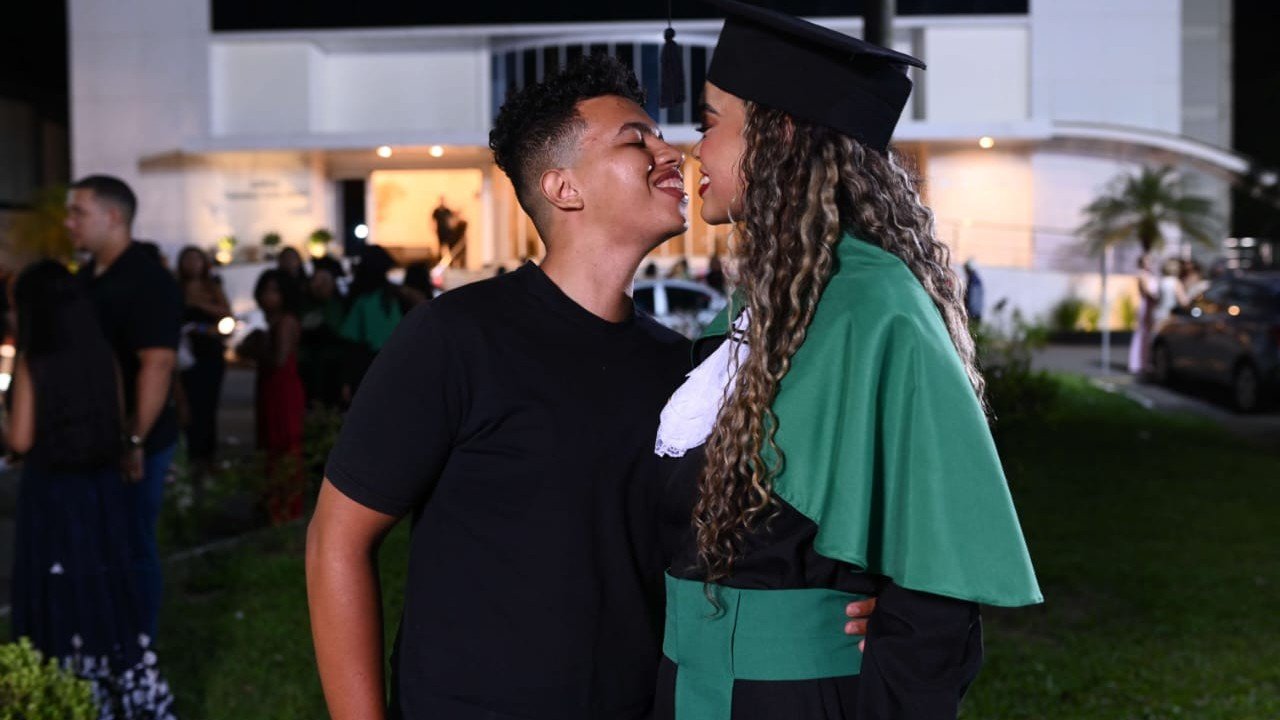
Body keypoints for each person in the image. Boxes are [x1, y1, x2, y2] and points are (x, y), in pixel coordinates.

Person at [307, 56, 875, 720]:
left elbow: (736, 537)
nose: (673, 153)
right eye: (637, 140)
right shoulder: (456, 337)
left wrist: (864, 599)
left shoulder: (683, 371)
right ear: (564, 188)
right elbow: (336, 541)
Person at [651, 2, 1042, 718]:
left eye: (710, 124)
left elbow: (936, 597)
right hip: (682, 692)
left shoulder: (877, 309)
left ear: (779, 135)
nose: (695, 151)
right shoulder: (751, 313)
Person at [6, 260, 177, 719]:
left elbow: (20, 439)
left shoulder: (34, 362)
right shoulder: (103, 355)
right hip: (102, 490)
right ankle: (115, 684)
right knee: (105, 588)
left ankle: (63, 688)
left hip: (53, 493)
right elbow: (117, 422)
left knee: (56, 591)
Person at [67, 174, 182, 640]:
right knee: (96, 544)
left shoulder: (147, 280)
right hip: (91, 439)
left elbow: (157, 364)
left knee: (131, 545)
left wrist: (134, 439)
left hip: (136, 443)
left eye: (78, 212)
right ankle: (101, 636)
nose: (69, 222)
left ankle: (136, 644)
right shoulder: (86, 279)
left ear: (113, 216)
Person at [250, 269, 307, 524]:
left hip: (281, 389)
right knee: (272, 444)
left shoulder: (285, 322)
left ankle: (285, 508)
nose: (266, 296)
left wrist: (257, 346)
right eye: (264, 291)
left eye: (273, 291)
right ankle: (278, 505)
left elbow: (279, 360)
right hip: (272, 387)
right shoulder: (277, 322)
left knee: (283, 443)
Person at [176, 245, 230, 479]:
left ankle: (208, 457)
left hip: (209, 353)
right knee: (188, 406)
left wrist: (198, 306)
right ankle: (191, 457)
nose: (192, 264)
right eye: (188, 259)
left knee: (208, 406)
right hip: (185, 355)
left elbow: (226, 315)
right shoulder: (176, 288)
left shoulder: (212, 287)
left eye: (196, 259)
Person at [339, 245, 403, 399]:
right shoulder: (393, 297)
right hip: (394, 364)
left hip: (367, 366)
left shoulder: (362, 299)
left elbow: (352, 342)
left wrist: (346, 379)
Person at [299, 258, 348, 410]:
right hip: (307, 371)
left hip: (334, 371)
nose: (319, 286)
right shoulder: (303, 306)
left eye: (325, 281)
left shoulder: (340, 306)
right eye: (316, 280)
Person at [1128, 254, 1159, 375]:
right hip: (1146, 305)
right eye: (1147, 261)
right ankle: (1138, 363)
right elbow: (1146, 292)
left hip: (1150, 305)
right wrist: (1157, 299)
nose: (1149, 263)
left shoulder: (1150, 274)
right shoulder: (1142, 275)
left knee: (1147, 334)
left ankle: (1145, 362)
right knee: (1143, 333)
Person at [963, 257, 985, 325]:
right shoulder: (974, 280)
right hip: (976, 312)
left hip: (973, 314)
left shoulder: (974, 281)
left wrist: (969, 312)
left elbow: (973, 298)